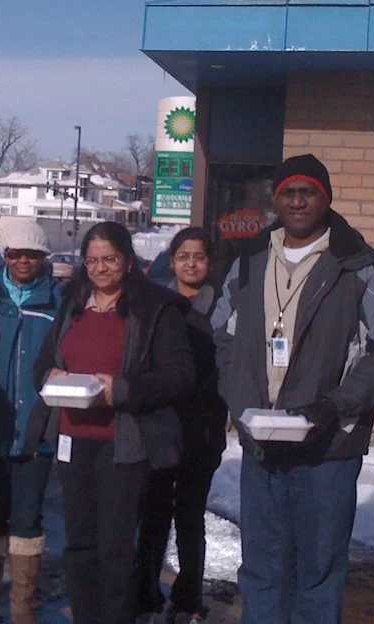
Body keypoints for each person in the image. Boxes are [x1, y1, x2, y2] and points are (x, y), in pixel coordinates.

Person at [212, 154, 374, 624]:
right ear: (275, 199)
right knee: (261, 569)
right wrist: (241, 403)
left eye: (308, 192)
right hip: (262, 446)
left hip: (328, 449)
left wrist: (333, 406)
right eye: (288, 192)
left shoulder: (359, 267)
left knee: (317, 573)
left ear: (326, 198)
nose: (297, 201)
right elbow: (221, 338)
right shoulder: (249, 263)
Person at [28, 221, 195, 624]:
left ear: (129, 261)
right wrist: (49, 376)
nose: (101, 269)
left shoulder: (153, 309)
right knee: (80, 546)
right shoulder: (73, 304)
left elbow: (180, 375)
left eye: (110, 260)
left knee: (115, 549)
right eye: (93, 261)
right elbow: (45, 363)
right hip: (73, 440)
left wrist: (121, 390)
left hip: (123, 443)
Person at [0, 220, 63, 624]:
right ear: (3, 255)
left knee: (28, 519)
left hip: (36, 430)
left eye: (33, 254)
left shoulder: (60, 303)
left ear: (45, 259)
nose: (24, 260)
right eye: (16, 253)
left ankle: (23, 612)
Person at [135, 227, 227, 624]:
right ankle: (144, 592)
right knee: (153, 511)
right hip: (160, 424)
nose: (191, 263)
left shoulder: (223, 306)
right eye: (184, 256)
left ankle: (188, 595)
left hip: (203, 426)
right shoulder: (154, 302)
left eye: (200, 256)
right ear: (171, 260)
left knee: (190, 515)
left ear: (210, 263)